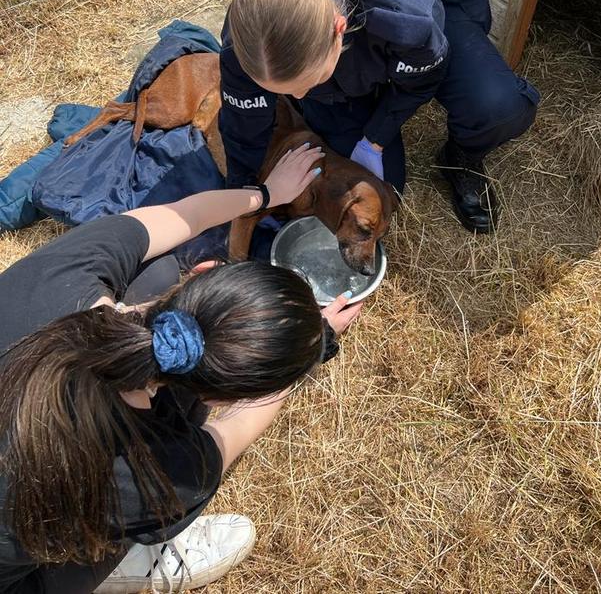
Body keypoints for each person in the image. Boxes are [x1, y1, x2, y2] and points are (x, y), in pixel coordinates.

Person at [0, 143, 363, 594]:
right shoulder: (167, 473)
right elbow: (235, 431)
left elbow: (181, 215)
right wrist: (316, 344)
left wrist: (265, 194)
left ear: (202, 271)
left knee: (152, 272)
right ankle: (136, 564)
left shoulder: (64, 271)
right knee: (112, 528)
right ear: (221, 398)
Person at [219, 0, 540, 234]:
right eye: (287, 92)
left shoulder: (405, 17)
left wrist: (375, 138)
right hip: (340, 60)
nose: (298, 98)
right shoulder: (249, 38)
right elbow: (241, 128)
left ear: (339, 32)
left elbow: (423, 79)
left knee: (498, 106)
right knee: (388, 185)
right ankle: (343, 95)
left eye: (306, 84)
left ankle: (462, 156)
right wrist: (251, 198)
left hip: (408, 18)